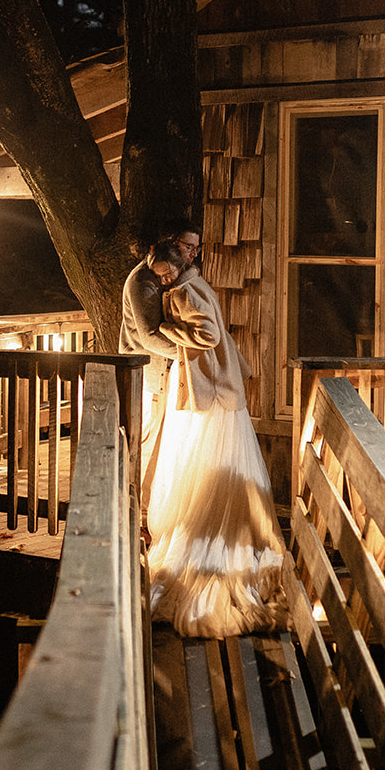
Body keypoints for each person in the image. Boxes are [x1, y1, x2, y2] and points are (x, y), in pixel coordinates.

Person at [144, 239, 288, 638]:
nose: (165, 280)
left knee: (201, 452)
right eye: (160, 276)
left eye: (166, 273)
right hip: (215, 383)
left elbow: (206, 335)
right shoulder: (194, 284)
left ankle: (211, 536)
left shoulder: (187, 291)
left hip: (209, 385)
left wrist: (168, 329)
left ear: (179, 265)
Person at [118, 218, 201, 453]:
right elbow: (148, 336)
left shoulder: (174, 274)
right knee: (140, 439)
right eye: (188, 247)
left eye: (197, 248)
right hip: (143, 371)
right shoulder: (143, 281)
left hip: (161, 371)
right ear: (173, 244)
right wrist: (190, 352)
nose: (193, 253)